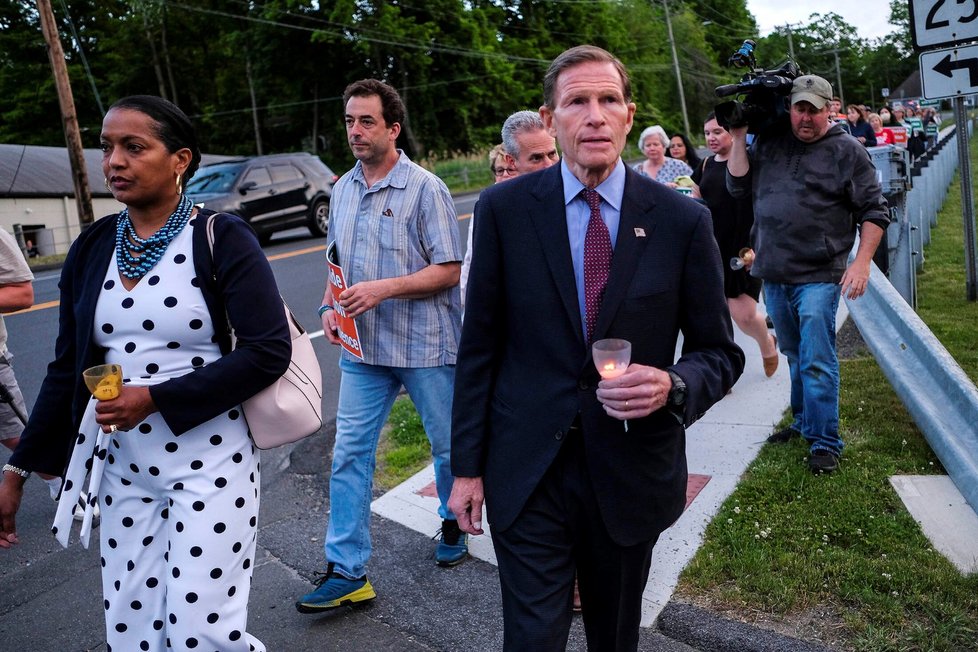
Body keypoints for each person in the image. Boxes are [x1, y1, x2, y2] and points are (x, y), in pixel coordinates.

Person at [449, 45, 744, 651]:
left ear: (629, 116)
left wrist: (674, 384)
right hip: (527, 466)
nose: (594, 115)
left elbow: (720, 351)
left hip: (630, 469)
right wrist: (466, 468)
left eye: (608, 100)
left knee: (613, 636)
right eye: (576, 102)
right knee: (532, 638)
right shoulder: (504, 211)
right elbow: (479, 346)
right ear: (550, 118)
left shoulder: (681, 220)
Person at [0, 95, 291, 651]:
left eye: (135, 147)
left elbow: (266, 350)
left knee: (201, 633)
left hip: (211, 464)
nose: (115, 161)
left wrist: (153, 398)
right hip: (123, 470)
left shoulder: (222, 237)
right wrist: (17, 471)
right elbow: (67, 368)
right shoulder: (91, 247)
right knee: (133, 631)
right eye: (107, 147)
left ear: (179, 159)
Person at [297, 79, 464, 613]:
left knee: (447, 447)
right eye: (349, 121)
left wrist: (384, 288)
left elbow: (449, 270)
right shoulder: (341, 189)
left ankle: (454, 522)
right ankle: (347, 570)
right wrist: (329, 305)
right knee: (349, 454)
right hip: (363, 352)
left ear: (393, 128)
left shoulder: (426, 188)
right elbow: (336, 266)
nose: (355, 131)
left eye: (366, 121)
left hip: (426, 346)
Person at [726, 75, 889, 475]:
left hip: (819, 273)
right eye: (799, 107)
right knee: (796, 355)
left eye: (815, 109)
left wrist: (862, 261)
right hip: (774, 272)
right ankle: (803, 424)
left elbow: (875, 210)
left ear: (830, 108)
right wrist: (738, 134)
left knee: (817, 358)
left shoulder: (848, 151)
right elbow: (736, 186)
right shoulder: (772, 140)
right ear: (791, 106)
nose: (806, 117)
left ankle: (825, 441)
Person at [692, 114, 779, 377]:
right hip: (713, 246)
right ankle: (723, 372)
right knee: (716, 315)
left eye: (717, 132)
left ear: (733, 133)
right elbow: (697, 197)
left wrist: (760, 243)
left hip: (746, 247)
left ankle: (767, 343)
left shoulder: (750, 161)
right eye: (707, 133)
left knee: (743, 313)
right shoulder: (706, 164)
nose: (711, 138)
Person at [460, 111, 560, 304]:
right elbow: (478, 271)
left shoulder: (580, 194)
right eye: (536, 158)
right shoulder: (494, 208)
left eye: (552, 154)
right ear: (512, 161)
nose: (548, 165)